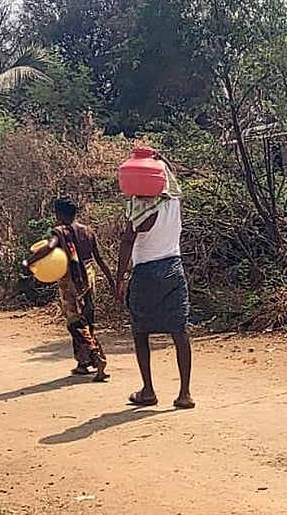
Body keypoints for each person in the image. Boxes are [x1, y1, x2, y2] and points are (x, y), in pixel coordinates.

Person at [117, 153, 194, 409]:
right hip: (173, 269)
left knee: (141, 331)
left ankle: (148, 390)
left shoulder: (137, 206)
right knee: (179, 331)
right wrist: (162, 159)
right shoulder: (173, 203)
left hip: (145, 272)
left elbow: (127, 242)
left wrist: (119, 278)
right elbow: (173, 181)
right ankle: (184, 393)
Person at [24, 197, 115, 382]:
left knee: (75, 322)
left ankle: (97, 357)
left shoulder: (60, 232)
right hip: (89, 277)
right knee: (87, 319)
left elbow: (49, 248)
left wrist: (29, 262)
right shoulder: (88, 231)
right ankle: (83, 363)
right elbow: (99, 259)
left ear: (60, 214)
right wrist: (112, 281)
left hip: (71, 279)